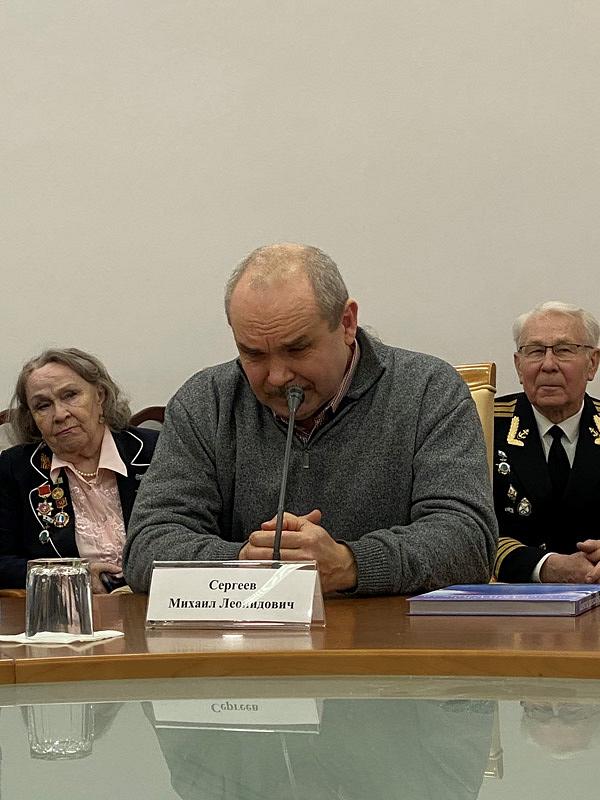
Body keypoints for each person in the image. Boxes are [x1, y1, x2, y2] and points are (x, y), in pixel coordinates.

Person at [123, 243, 497, 594]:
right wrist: (243, 562)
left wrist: (351, 564)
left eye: (297, 348)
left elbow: (468, 541)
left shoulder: (428, 389)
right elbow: (147, 545)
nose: (277, 377)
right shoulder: (206, 401)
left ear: (347, 323)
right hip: (248, 635)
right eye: (253, 354)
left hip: (391, 637)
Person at [0, 348, 158, 592]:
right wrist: (72, 575)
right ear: (32, 417)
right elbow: (2, 562)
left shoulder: (156, 451)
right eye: (43, 406)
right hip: (68, 608)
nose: (60, 414)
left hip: (160, 601)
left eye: (70, 395)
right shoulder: (15, 469)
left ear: (100, 396)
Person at [493, 301, 600, 582]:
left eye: (564, 350)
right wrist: (544, 566)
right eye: (535, 351)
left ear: (592, 363)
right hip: (510, 596)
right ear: (518, 366)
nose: (548, 365)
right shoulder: (484, 426)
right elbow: (465, 529)